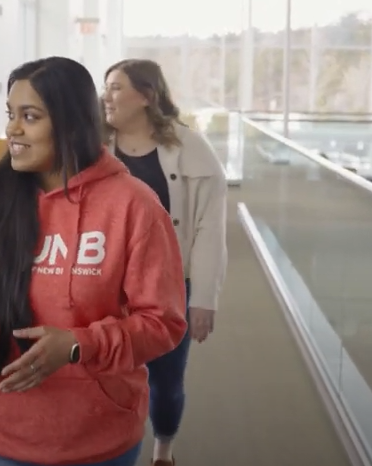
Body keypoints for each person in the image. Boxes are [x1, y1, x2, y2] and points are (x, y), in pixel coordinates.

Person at [0, 56, 188, 466]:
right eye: (12, 114)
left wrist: (77, 345)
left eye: (29, 116)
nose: (12, 128)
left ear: (71, 123)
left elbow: (163, 322)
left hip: (97, 437)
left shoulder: (133, 206)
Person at [101, 58, 228, 466]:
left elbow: (210, 227)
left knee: (166, 379)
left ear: (146, 96)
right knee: (104, 368)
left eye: (117, 87)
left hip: (168, 285)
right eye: (107, 87)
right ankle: (110, 446)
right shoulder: (91, 145)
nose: (108, 96)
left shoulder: (191, 148)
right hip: (103, 281)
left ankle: (163, 451)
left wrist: (204, 297)